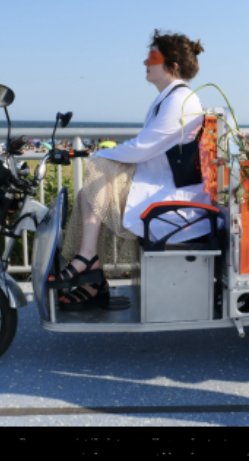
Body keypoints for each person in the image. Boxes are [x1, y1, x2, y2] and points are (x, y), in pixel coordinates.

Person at [57, 29, 208, 310]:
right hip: (158, 184)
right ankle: (92, 273)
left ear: (172, 66)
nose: (145, 63)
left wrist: (99, 155)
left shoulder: (179, 100)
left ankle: (89, 262)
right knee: (91, 191)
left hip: (171, 195)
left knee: (98, 174)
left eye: (152, 57)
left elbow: (143, 148)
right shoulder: (170, 97)